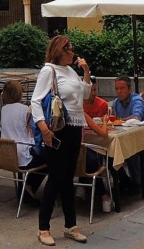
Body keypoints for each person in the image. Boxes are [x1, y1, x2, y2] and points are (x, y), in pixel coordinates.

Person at [31, 35, 92, 246]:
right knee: (56, 176)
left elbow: (84, 95)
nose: (73, 52)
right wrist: (43, 128)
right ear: (60, 50)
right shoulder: (49, 70)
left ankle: (71, 225)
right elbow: (35, 101)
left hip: (75, 127)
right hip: (57, 130)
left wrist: (86, 72)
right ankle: (43, 227)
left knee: (68, 177)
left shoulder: (71, 70)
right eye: (70, 49)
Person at [0, 79, 43, 206]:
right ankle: (29, 187)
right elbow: (32, 133)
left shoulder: (3, 110)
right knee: (50, 159)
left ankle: (26, 188)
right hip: (23, 155)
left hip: (6, 156)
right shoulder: (26, 109)